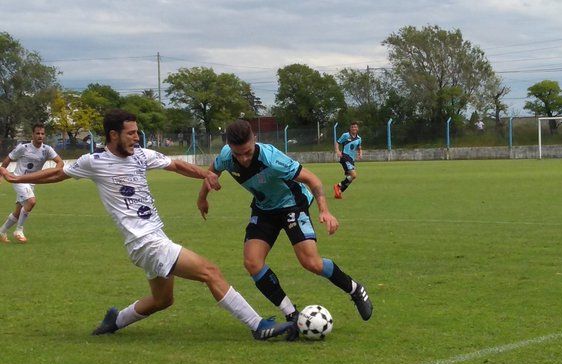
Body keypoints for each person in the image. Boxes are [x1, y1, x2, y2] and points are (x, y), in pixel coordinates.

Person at [0, 109, 292, 340]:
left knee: (163, 300)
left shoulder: (140, 155)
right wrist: (16, 178)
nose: (136, 137)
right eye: (130, 133)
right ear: (113, 135)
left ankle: (116, 320)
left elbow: (176, 165)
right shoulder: (94, 161)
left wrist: (206, 174)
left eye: (137, 132)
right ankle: (258, 325)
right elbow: (57, 174)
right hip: (145, 241)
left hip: (152, 237)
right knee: (210, 271)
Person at [197, 120, 373, 340]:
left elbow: (313, 180)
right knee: (252, 262)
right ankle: (291, 315)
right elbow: (211, 172)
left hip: (292, 204)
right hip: (264, 209)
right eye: (238, 154)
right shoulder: (226, 155)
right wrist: (202, 198)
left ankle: (355, 289)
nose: (243, 158)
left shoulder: (272, 158)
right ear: (230, 147)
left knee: (311, 262)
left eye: (248, 152)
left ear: (254, 140)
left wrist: (325, 211)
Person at [0, 123, 63, 243]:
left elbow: (60, 163)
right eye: (37, 133)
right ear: (33, 135)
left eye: (42, 133)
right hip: (18, 179)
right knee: (31, 201)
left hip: (31, 182)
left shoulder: (47, 149)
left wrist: (52, 172)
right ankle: (19, 230)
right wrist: (1, 174)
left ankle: (1, 231)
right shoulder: (23, 148)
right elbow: (8, 159)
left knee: (18, 212)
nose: (40, 136)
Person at [333, 121, 362, 199]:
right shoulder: (345, 135)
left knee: (350, 178)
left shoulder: (359, 138)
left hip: (351, 159)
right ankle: (338, 186)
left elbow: (359, 147)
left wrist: (360, 154)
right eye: (352, 127)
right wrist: (337, 151)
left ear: (357, 128)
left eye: (355, 127)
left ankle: (339, 192)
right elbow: (337, 142)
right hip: (345, 157)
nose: (354, 128)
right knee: (354, 175)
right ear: (350, 128)